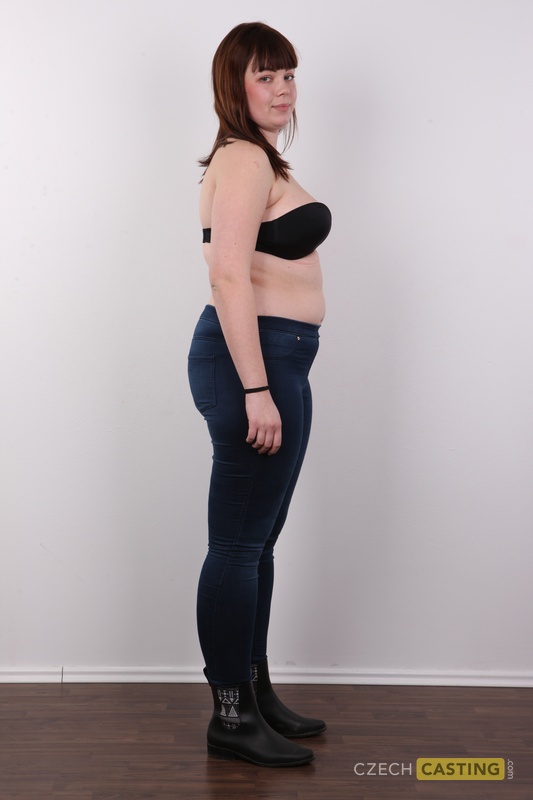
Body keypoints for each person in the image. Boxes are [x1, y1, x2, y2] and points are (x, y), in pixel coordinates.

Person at [187, 21, 331, 767]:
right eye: (265, 77)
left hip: (280, 358)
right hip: (254, 362)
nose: (282, 90)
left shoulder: (261, 159)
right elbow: (227, 275)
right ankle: (231, 715)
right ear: (233, 86)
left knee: (257, 544)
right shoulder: (243, 158)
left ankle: (255, 692)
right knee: (237, 546)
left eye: (288, 74)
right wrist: (255, 388)